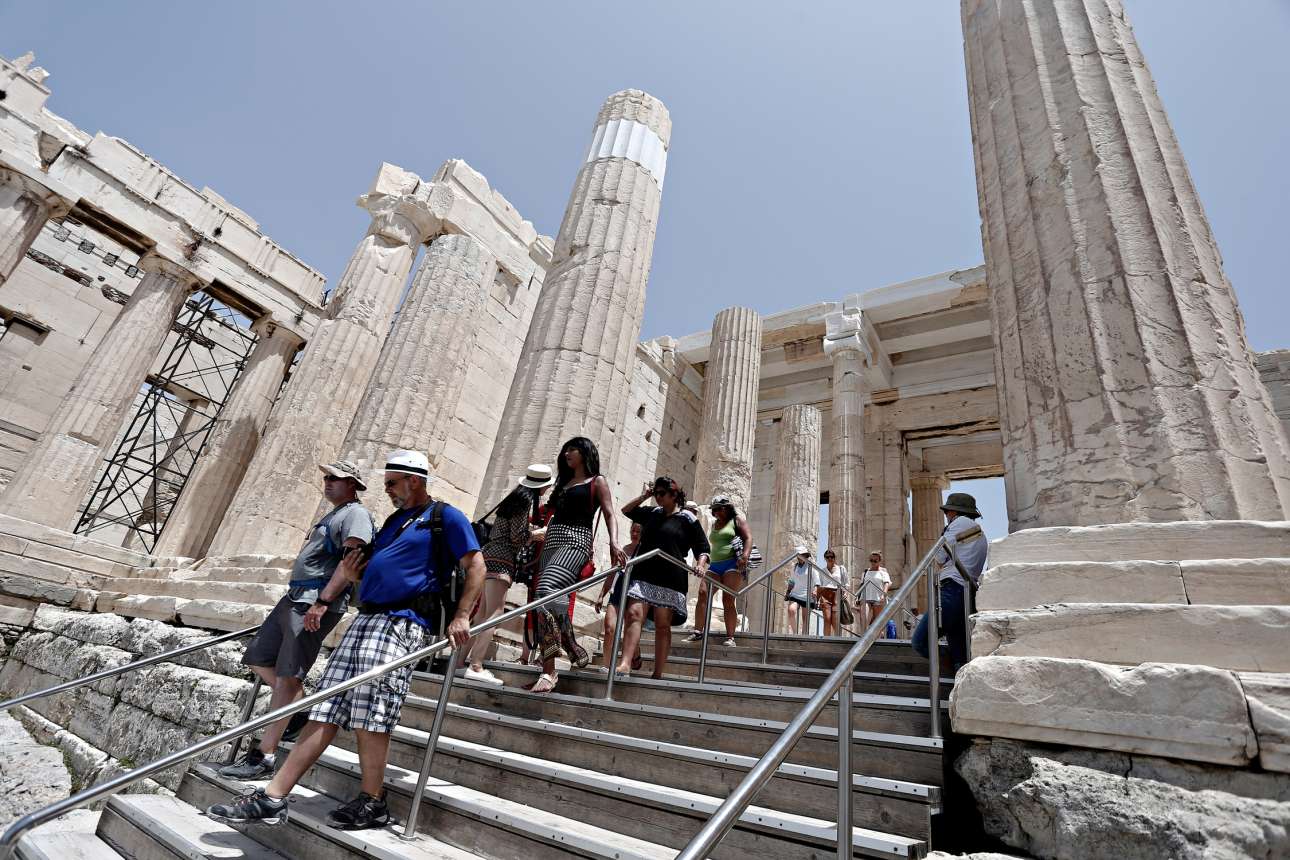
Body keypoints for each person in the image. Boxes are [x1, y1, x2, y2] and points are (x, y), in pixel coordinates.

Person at [207, 449, 486, 829]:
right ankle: (273, 797)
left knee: (373, 709)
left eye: (391, 483)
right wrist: (356, 578)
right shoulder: (395, 521)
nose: (386, 489)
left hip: (401, 622)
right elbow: (374, 566)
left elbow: (476, 564)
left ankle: (373, 800)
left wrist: (462, 615)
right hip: (367, 617)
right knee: (325, 706)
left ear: (414, 480)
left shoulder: (445, 516)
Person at [219, 460, 375, 780]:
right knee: (258, 657)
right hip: (295, 597)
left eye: (335, 478)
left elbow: (352, 561)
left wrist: (323, 602)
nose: (327, 481)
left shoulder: (356, 514)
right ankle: (299, 709)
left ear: (352, 484)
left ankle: (264, 756)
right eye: (326, 477)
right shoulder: (334, 514)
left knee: (288, 678)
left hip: (314, 601)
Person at [529, 437, 624, 694]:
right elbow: (548, 514)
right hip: (552, 543)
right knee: (550, 599)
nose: (567, 453)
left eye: (573, 449)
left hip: (576, 541)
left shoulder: (597, 481)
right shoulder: (563, 483)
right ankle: (565, 646)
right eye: (566, 450)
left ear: (585, 452)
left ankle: (551, 669)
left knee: (544, 591)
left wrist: (614, 543)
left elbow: (609, 513)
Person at [462, 464, 555, 686]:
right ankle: (476, 665)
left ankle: (458, 663)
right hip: (502, 561)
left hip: (487, 556)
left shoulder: (511, 501)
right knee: (495, 613)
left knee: (481, 614)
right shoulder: (523, 504)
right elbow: (517, 537)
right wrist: (537, 534)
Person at [617, 477, 710, 678]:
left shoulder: (687, 518)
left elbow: (702, 547)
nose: (658, 497)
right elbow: (626, 511)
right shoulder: (653, 513)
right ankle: (625, 663)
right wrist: (645, 496)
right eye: (656, 493)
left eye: (661, 493)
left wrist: (700, 564)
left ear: (674, 495)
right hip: (644, 572)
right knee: (633, 614)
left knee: (662, 624)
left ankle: (658, 672)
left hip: (671, 577)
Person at [912, 492, 988, 672]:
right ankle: (959, 678)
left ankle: (944, 667)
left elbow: (939, 556)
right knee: (960, 652)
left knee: (921, 642)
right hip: (966, 594)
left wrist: (944, 535)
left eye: (947, 512)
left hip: (952, 589)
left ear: (954, 512)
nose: (946, 516)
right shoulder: (979, 533)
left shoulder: (959, 523)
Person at [689, 496, 753, 646]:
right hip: (715, 565)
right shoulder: (714, 523)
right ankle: (698, 632)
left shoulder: (737, 520)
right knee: (703, 593)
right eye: (714, 509)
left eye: (719, 509)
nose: (716, 512)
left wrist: (745, 556)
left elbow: (748, 538)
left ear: (727, 508)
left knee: (728, 599)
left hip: (732, 564)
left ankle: (730, 637)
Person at [595, 521, 642, 671]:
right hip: (618, 590)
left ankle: (635, 652)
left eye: (638, 531)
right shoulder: (622, 550)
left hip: (634, 592)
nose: (634, 534)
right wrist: (601, 595)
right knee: (609, 628)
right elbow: (612, 573)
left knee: (629, 629)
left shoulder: (645, 551)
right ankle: (607, 666)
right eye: (633, 530)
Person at [814, 548, 850, 637]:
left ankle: (838, 639)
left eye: (832, 556)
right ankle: (826, 640)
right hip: (825, 595)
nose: (830, 558)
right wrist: (816, 600)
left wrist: (846, 593)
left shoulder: (841, 569)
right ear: (825, 558)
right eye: (827, 557)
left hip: (837, 594)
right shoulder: (822, 571)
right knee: (827, 619)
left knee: (835, 621)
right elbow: (819, 585)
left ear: (834, 557)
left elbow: (846, 583)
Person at [784, 547, 818, 636]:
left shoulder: (811, 567)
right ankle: (795, 633)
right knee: (791, 610)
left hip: (807, 596)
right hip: (795, 594)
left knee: (805, 618)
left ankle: (803, 636)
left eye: (804, 555)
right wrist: (788, 592)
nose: (802, 556)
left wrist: (815, 590)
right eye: (800, 555)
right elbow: (791, 581)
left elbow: (817, 581)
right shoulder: (795, 567)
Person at [856, 550, 891, 632]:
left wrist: (883, 595)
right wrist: (857, 597)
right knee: (863, 617)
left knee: (876, 621)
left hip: (878, 598)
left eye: (875, 561)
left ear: (879, 561)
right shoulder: (865, 572)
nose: (873, 562)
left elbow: (886, 583)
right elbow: (862, 584)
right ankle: (863, 636)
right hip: (865, 597)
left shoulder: (883, 572)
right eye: (871, 560)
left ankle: (876, 636)